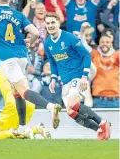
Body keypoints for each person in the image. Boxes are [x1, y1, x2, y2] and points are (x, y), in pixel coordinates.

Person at [0, 0, 62, 135]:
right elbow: (35, 33)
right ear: (9, 0)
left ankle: (51, 107)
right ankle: (21, 127)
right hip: (21, 56)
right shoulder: (18, 15)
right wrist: (30, 42)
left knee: (23, 90)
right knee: (16, 92)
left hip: (7, 58)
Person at [44, 12, 111, 140]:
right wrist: (53, 78)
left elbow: (86, 55)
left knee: (73, 104)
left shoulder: (69, 38)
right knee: (70, 111)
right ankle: (99, 130)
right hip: (65, 80)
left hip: (77, 76)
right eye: (48, 23)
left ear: (58, 23)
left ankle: (103, 123)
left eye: (53, 22)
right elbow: (53, 62)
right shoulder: (48, 44)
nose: (50, 25)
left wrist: (84, 76)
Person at [0, 68, 51, 139]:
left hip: (13, 104)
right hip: (29, 103)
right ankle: (38, 129)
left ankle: (28, 131)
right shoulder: (18, 67)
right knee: (18, 129)